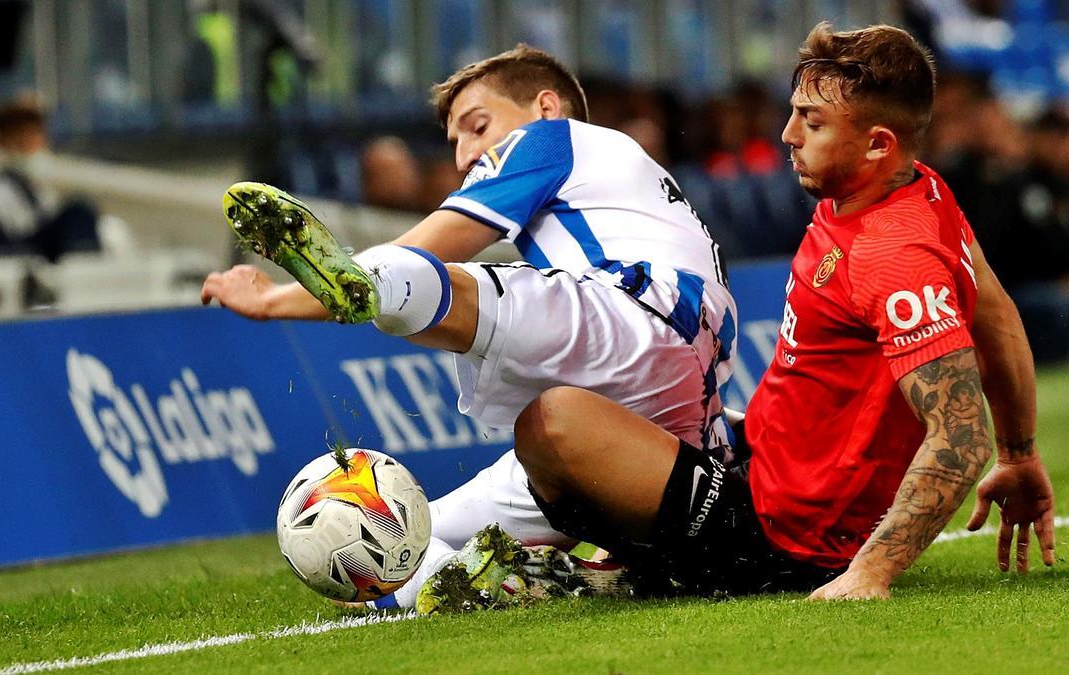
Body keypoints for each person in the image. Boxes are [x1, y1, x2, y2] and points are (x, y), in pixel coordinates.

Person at [416, 22, 1055, 611]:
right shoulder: (918, 188)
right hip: (760, 462)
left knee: (554, 423)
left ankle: (623, 559)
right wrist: (1022, 454)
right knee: (638, 414)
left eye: (811, 121)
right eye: (793, 112)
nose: (788, 135)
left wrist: (871, 573)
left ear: (876, 144)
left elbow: (960, 434)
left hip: (786, 536)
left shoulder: (893, 254)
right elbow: (995, 317)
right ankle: (610, 554)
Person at [201, 45, 736, 611]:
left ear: (546, 106)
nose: (465, 157)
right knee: (400, 557)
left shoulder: (554, 138)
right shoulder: (636, 187)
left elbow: (434, 242)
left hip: (639, 318)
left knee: (444, 281)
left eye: (476, 128)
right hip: (678, 406)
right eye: (455, 141)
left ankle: (364, 283)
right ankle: (527, 578)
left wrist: (276, 300)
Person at [0, 97, 101, 261]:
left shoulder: (36, 183)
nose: (36, 142)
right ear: (5, 140)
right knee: (77, 212)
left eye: (37, 134)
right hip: (23, 251)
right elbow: (0, 236)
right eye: (25, 136)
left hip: (39, 246)